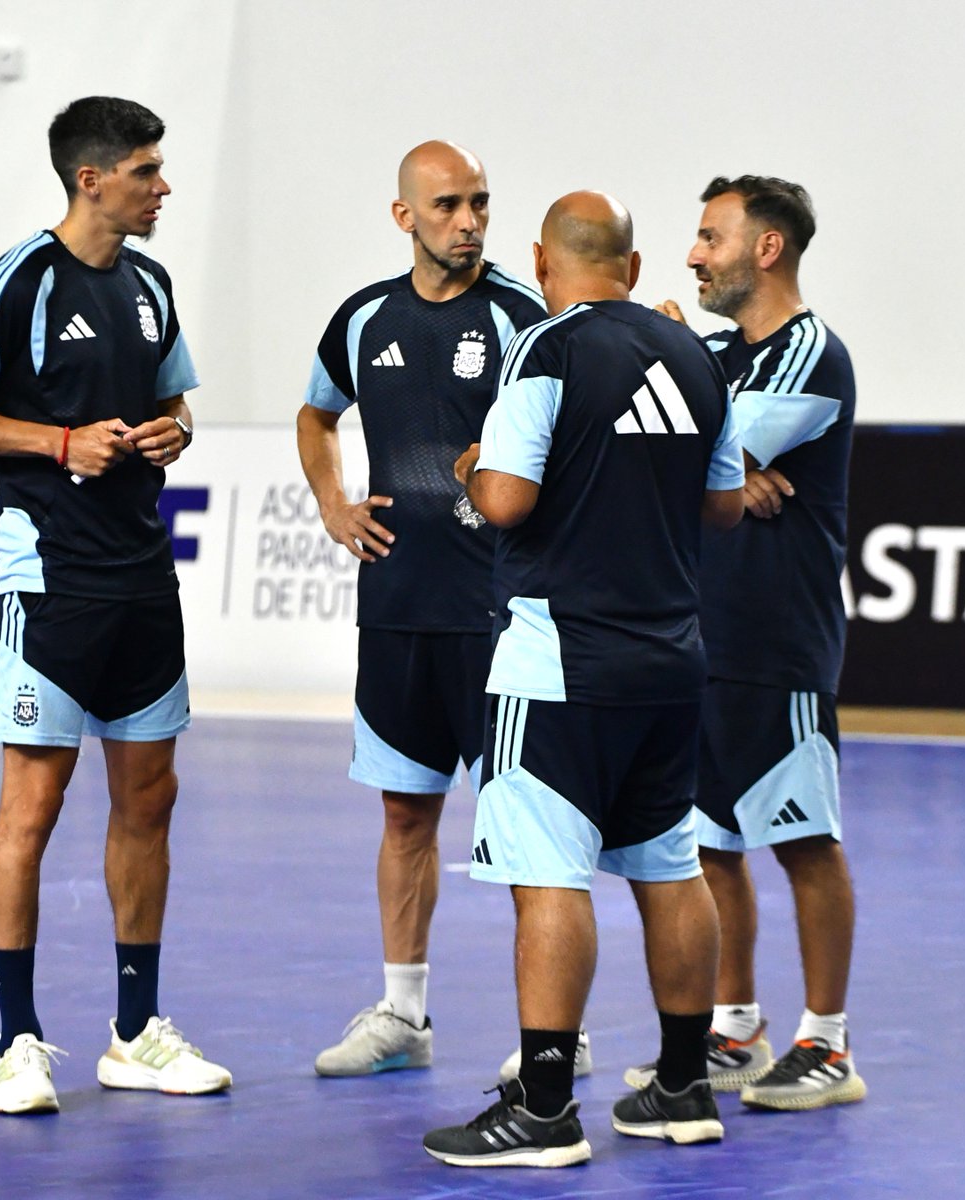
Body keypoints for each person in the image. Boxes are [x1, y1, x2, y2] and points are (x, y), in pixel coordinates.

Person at [0, 96, 231, 1114]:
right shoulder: (20, 280)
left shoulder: (150, 282)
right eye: (146, 171)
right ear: (91, 179)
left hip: (144, 577)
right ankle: (16, 1043)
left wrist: (174, 431)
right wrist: (56, 443)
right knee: (32, 808)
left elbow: (175, 398)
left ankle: (136, 1032)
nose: (163, 186)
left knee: (149, 801)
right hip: (48, 584)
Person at [422, 191, 745, 1168]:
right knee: (668, 865)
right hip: (668, 661)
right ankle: (684, 1086)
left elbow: (510, 500)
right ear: (636, 268)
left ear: (543, 261)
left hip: (558, 657)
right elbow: (725, 505)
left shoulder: (548, 347)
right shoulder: (697, 356)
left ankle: (545, 1108)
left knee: (547, 874)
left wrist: (473, 470)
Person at [296, 142, 593, 1078]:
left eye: (480, 204)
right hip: (396, 612)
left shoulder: (522, 316)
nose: (468, 221)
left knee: (522, 830)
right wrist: (334, 503)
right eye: (449, 206)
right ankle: (403, 1015)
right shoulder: (361, 319)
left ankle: (559, 1036)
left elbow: (580, 430)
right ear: (405, 217)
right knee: (405, 818)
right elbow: (315, 414)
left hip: (501, 619)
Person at [624, 175, 866, 1111]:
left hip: (778, 639)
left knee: (805, 840)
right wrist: (728, 465)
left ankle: (830, 1045)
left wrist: (711, 456)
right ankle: (735, 1029)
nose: (693, 254)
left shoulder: (811, 352)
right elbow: (663, 447)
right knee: (712, 844)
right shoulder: (716, 356)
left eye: (709, 236)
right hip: (699, 637)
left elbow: (680, 449)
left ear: (766, 249)